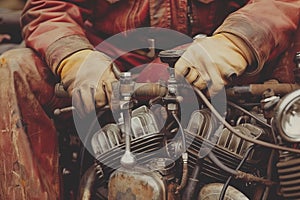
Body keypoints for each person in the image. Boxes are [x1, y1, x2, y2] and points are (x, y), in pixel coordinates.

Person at [0, 0, 299, 199]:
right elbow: (50, 7)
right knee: (15, 67)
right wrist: (75, 58)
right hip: (112, 72)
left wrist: (238, 41)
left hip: (224, 68)